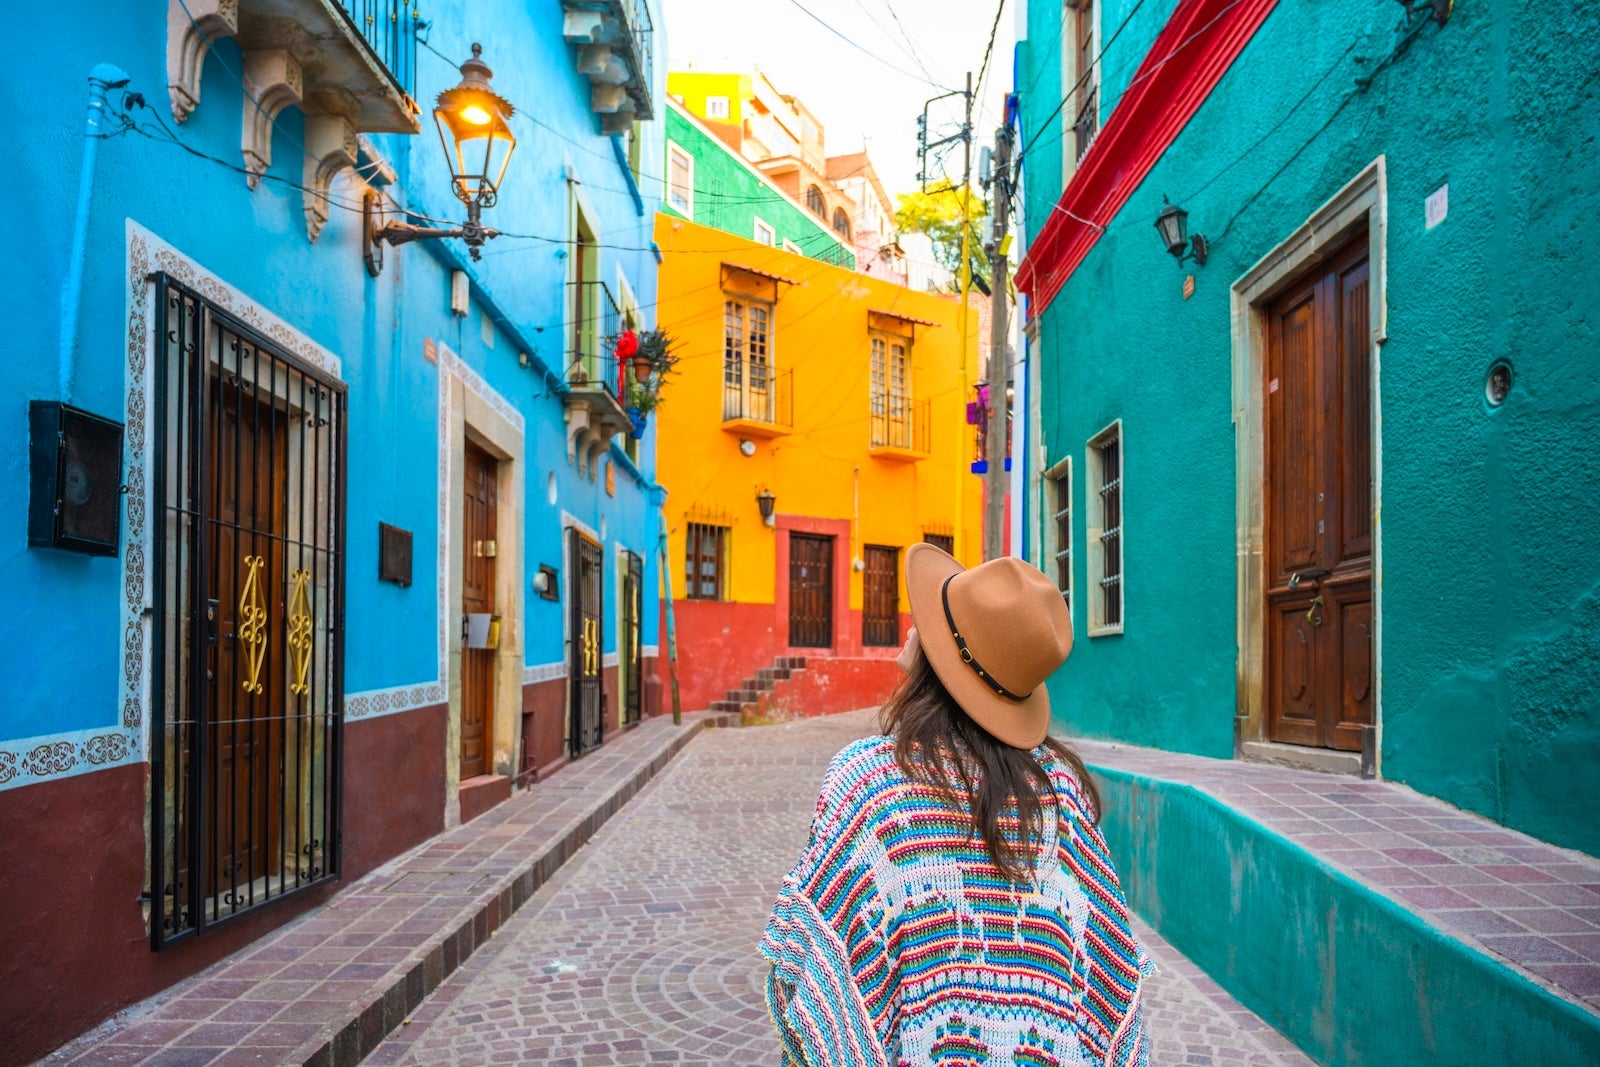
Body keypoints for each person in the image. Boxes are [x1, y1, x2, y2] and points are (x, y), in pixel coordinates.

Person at [759, 544, 1150, 1066]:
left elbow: (814, 972)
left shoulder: (867, 781)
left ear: (939, 657)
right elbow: (1109, 983)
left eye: (928, 619)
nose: (912, 622)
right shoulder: (1062, 790)